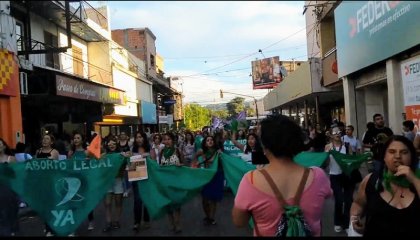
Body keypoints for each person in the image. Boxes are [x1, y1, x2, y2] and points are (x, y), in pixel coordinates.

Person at [232, 115, 332, 236]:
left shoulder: (251, 180)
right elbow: (327, 195)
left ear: (264, 145)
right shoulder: (318, 175)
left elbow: (239, 221)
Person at [349, 135, 420, 236]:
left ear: (412, 157)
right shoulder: (372, 180)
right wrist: (355, 218)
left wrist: (413, 179)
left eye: (404, 152)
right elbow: (358, 204)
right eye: (392, 152)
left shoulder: (417, 180)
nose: (398, 156)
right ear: (384, 157)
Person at [325, 127, 355, 233]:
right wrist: (327, 155)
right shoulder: (328, 147)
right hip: (334, 176)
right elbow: (326, 163)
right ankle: (337, 222)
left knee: (348, 200)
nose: (337, 134)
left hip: (346, 175)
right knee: (339, 199)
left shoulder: (347, 146)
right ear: (332, 135)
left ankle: (346, 223)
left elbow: (351, 160)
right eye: (335, 132)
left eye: (339, 132)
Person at [193, 135, 224, 226]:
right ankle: (207, 216)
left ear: (214, 142)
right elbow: (195, 158)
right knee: (205, 199)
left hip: (217, 175)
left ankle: (211, 218)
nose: (210, 141)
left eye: (211, 140)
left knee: (214, 199)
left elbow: (222, 163)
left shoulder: (218, 152)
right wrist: (196, 164)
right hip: (206, 176)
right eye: (207, 140)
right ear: (205, 143)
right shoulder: (201, 151)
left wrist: (220, 155)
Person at [67, 132, 95, 232]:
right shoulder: (70, 153)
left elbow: (94, 163)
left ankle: (91, 221)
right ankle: (74, 223)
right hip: (73, 182)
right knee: (73, 203)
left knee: (86, 201)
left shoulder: (87, 152)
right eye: (74, 138)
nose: (76, 140)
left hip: (84, 181)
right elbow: (68, 166)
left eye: (78, 138)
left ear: (82, 140)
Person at [158, 132, 184, 233]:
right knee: (168, 204)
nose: (167, 141)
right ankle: (171, 222)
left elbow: (184, 164)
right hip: (165, 182)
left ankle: (177, 223)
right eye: (165, 139)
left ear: (172, 140)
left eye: (169, 139)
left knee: (176, 204)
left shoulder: (177, 151)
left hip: (176, 182)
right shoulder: (161, 152)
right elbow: (159, 165)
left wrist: (180, 165)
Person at [35, 133, 59, 237]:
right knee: (44, 206)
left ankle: (51, 228)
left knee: (51, 205)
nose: (44, 140)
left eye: (47, 139)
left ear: (51, 142)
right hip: (41, 182)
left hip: (51, 181)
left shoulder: (54, 152)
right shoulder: (38, 151)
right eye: (43, 138)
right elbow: (35, 165)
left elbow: (53, 165)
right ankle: (47, 226)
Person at [102, 136, 128, 232]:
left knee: (118, 202)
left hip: (118, 180)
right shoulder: (104, 155)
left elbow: (128, 161)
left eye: (113, 143)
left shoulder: (120, 154)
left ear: (116, 144)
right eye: (109, 143)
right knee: (107, 203)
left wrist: (125, 157)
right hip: (108, 181)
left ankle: (116, 221)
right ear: (107, 145)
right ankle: (108, 222)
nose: (111, 145)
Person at [130, 131, 151, 232]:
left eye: (140, 137)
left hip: (147, 178)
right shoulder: (132, 149)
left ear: (144, 138)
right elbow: (128, 161)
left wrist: (147, 156)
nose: (138, 139)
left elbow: (154, 160)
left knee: (146, 199)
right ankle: (136, 222)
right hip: (136, 177)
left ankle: (146, 219)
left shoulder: (149, 148)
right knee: (137, 200)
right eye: (137, 137)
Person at [0, 138, 18, 236]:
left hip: (8, 191)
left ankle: (11, 231)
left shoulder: (11, 159)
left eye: (0, 144)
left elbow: (16, 175)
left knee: (9, 213)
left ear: (4, 146)